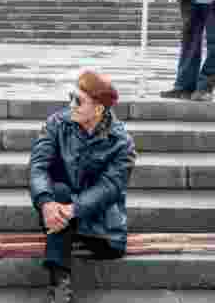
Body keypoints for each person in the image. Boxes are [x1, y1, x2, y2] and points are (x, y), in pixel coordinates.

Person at [29, 70, 136, 303]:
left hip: (98, 219)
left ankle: (65, 230)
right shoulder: (56, 124)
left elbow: (110, 187)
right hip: (58, 207)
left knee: (107, 243)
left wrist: (74, 209)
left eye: (78, 100)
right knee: (58, 192)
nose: (71, 104)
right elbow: (38, 167)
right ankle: (59, 283)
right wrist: (45, 203)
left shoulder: (121, 142)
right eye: (71, 96)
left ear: (98, 109)